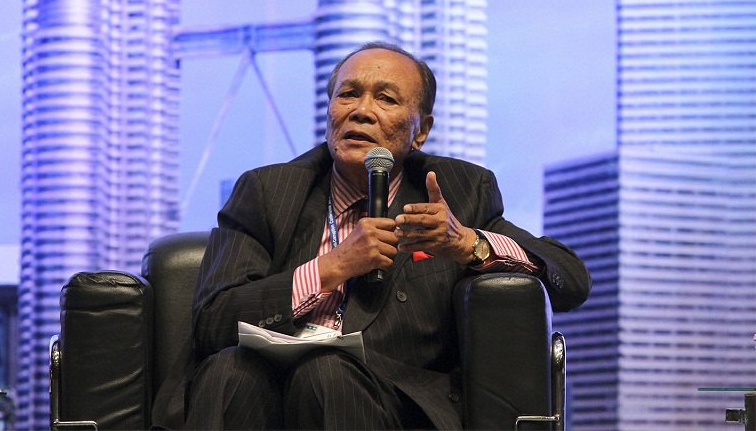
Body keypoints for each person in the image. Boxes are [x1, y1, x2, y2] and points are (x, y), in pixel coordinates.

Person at [158, 42, 591, 429]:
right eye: (348, 94)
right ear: (329, 111)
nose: (361, 110)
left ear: (420, 131)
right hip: (261, 393)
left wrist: (468, 244)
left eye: (385, 98)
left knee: (325, 374)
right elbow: (212, 322)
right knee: (228, 370)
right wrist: (330, 268)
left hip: (391, 402)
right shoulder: (268, 191)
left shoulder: (458, 191)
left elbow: (569, 279)